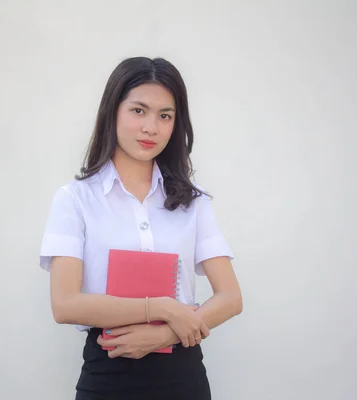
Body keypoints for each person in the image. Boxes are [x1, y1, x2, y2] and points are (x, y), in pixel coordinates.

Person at [39, 56, 242, 400]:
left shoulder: (193, 202)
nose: (151, 127)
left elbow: (230, 298)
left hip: (183, 376)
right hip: (108, 374)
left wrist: (164, 335)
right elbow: (65, 305)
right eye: (138, 111)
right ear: (113, 112)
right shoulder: (75, 200)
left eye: (165, 116)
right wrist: (161, 308)